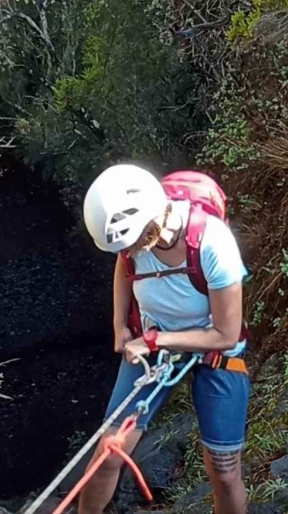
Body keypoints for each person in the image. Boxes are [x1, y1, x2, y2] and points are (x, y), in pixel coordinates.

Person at [78, 164, 249, 514]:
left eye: (136, 242)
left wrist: (155, 341)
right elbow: (124, 267)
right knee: (109, 453)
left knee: (224, 472)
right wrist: (119, 326)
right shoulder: (136, 238)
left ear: (154, 222)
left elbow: (225, 333)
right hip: (152, 342)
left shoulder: (214, 245)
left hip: (211, 350)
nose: (133, 251)